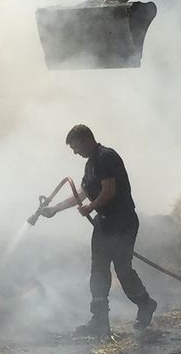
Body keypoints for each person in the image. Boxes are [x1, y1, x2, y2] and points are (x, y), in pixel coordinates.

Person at [40, 124, 158, 337]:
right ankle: (100, 321)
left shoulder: (106, 157)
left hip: (122, 222)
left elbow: (109, 191)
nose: (75, 152)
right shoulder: (91, 164)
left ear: (85, 140)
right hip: (103, 223)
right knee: (99, 270)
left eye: (75, 147)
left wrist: (90, 208)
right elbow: (83, 193)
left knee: (122, 270)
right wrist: (55, 209)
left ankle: (146, 304)